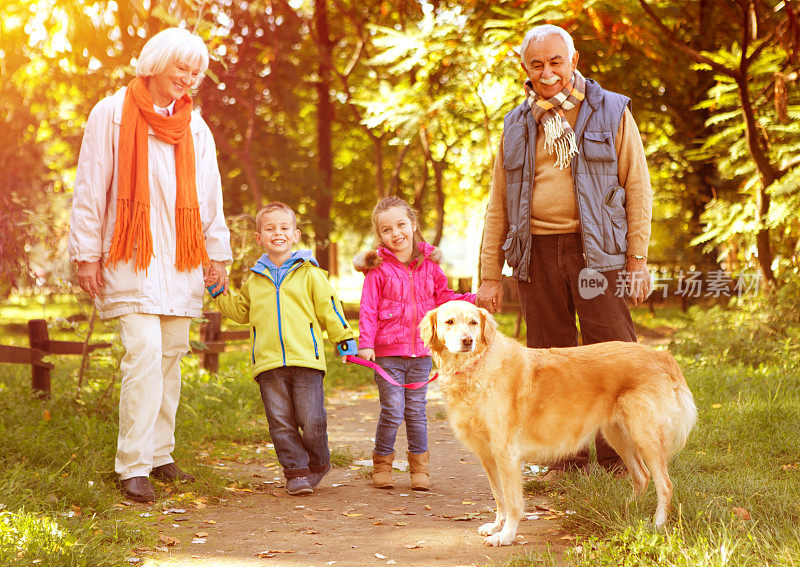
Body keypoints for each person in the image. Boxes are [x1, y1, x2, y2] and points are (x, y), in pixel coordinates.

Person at [477, 24, 653, 480]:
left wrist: (637, 260)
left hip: (599, 252)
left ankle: (620, 459)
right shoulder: (517, 123)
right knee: (547, 359)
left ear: (573, 62)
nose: (548, 71)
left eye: (556, 61)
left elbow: (637, 186)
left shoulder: (611, 110)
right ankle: (566, 460)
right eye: (537, 64)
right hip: (535, 251)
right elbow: (497, 201)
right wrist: (490, 275)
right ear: (525, 69)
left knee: (610, 352)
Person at [68, 28, 232, 503]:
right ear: (157, 62)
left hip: (180, 259)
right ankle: (132, 465)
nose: (189, 77)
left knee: (171, 355)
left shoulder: (195, 127)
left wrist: (216, 253)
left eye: (196, 70)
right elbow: (90, 186)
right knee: (143, 353)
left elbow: (209, 196)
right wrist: (85, 254)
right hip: (130, 256)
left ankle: (161, 455)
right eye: (182, 67)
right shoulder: (112, 114)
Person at [209, 202, 357, 495]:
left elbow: (330, 307)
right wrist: (218, 292)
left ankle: (318, 462)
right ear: (259, 237)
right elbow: (241, 312)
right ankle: (296, 472)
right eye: (270, 228)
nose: (278, 233)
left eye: (284, 228)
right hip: (269, 364)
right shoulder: (254, 279)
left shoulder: (311, 273)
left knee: (311, 419)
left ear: (296, 235)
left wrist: (344, 338)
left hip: (307, 360)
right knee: (280, 422)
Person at [354, 197, 476, 491]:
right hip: (387, 354)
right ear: (379, 235)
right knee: (393, 409)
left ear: (412, 224)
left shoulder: (430, 267)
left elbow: (444, 298)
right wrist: (366, 343)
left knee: (416, 411)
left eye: (400, 225)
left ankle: (419, 469)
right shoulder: (378, 269)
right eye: (386, 229)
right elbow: (368, 308)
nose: (395, 233)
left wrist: (475, 300)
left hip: (421, 353)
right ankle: (382, 464)